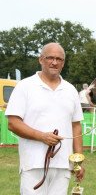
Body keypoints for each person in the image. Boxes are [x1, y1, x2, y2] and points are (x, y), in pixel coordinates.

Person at [5, 42, 84, 195]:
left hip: (63, 164)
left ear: (63, 63)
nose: (54, 62)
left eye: (59, 59)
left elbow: (76, 126)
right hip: (33, 163)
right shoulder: (25, 86)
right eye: (50, 58)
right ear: (41, 59)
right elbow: (13, 123)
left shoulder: (71, 90)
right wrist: (42, 137)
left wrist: (78, 161)